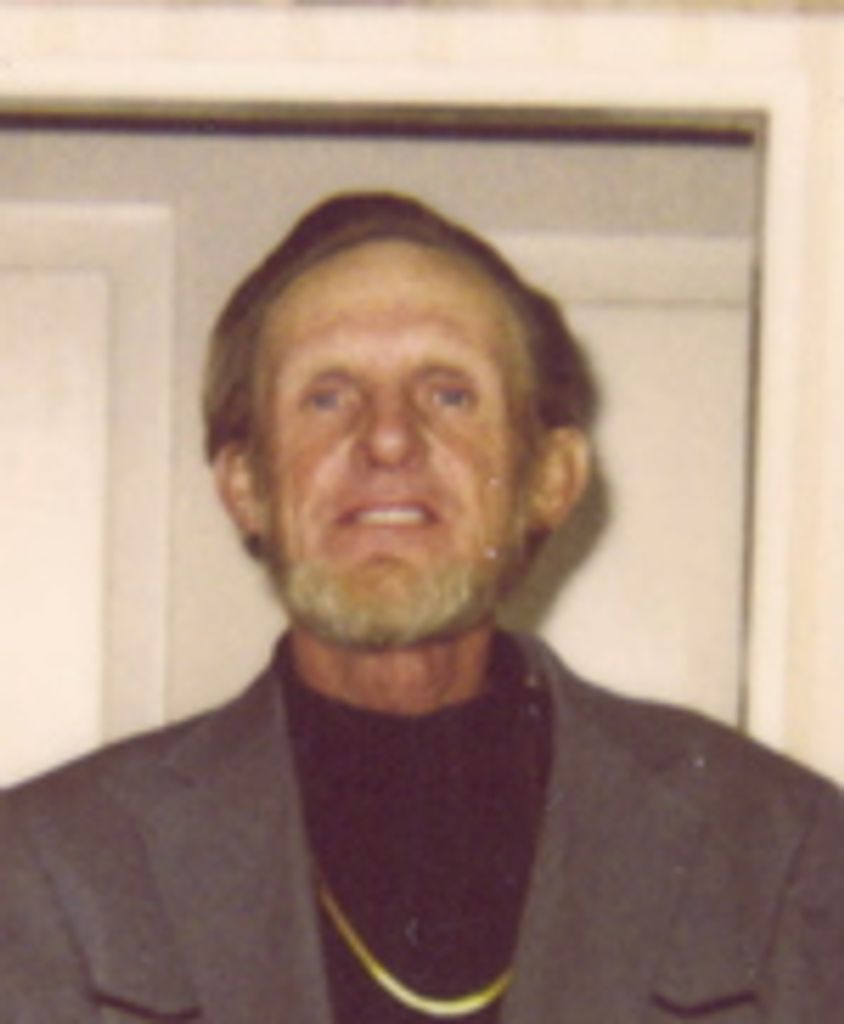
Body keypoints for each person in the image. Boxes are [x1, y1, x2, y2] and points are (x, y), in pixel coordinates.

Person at [1, 192, 842, 1024]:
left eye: (449, 394)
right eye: (326, 396)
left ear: (549, 479)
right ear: (247, 486)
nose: (388, 438)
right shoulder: (55, 869)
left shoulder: (775, 846)